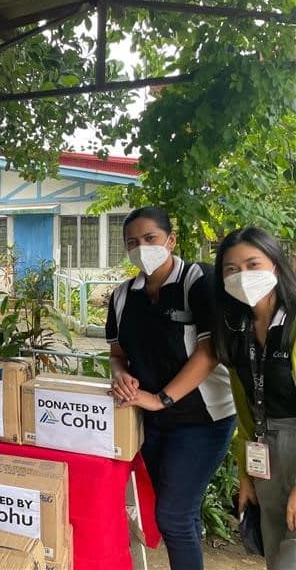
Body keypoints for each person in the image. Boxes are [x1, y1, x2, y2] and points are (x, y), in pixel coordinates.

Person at [106, 207, 236, 570]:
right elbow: (117, 353)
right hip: (153, 420)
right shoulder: (122, 296)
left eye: (150, 239)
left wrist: (161, 398)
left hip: (203, 418)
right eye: (133, 242)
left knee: (174, 517)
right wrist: (121, 375)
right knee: (181, 511)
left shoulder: (199, 281)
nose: (141, 248)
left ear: (170, 240)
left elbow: (209, 351)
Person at [213, 227, 296, 569]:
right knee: (275, 550)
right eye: (231, 269)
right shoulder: (236, 330)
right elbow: (246, 408)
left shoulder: (292, 323)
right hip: (264, 450)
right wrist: (246, 474)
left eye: (252, 264)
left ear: (275, 265)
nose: (242, 276)